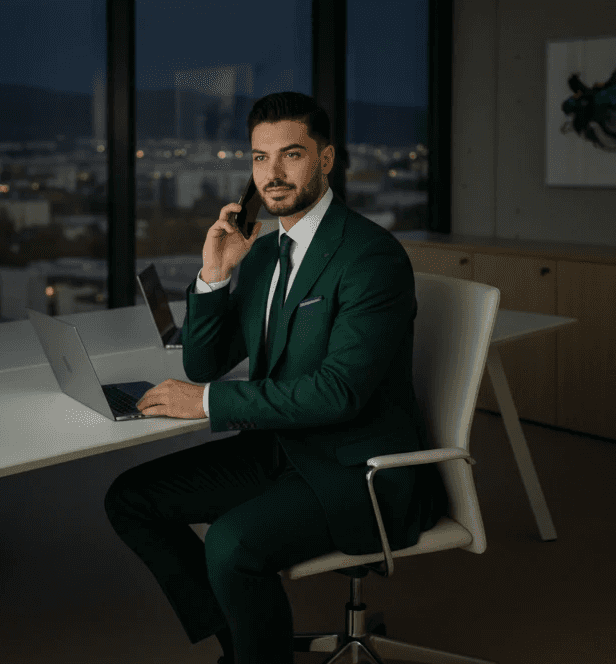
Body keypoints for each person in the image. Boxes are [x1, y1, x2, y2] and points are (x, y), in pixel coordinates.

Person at [104, 91, 446, 664]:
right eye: (260, 158)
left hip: (355, 469)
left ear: (327, 159)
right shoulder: (263, 254)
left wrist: (208, 403)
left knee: (231, 545)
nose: (273, 174)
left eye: (291, 154)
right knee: (131, 498)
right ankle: (243, 647)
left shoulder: (371, 258)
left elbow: (339, 392)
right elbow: (202, 363)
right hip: (280, 449)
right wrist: (213, 274)